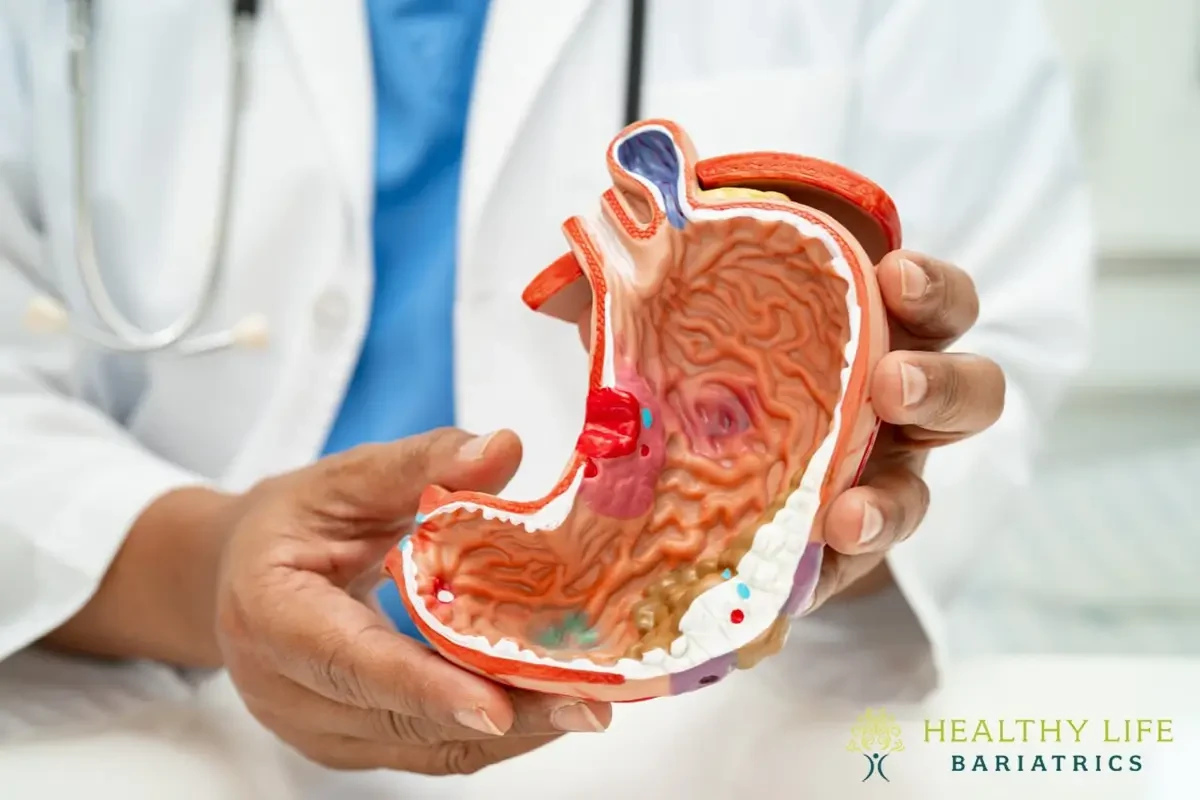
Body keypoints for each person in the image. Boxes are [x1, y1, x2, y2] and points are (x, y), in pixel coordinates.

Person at [0, 0, 1092, 795]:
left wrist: (819, 493)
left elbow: (993, 335)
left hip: (715, 733)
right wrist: (208, 571)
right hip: (156, 692)